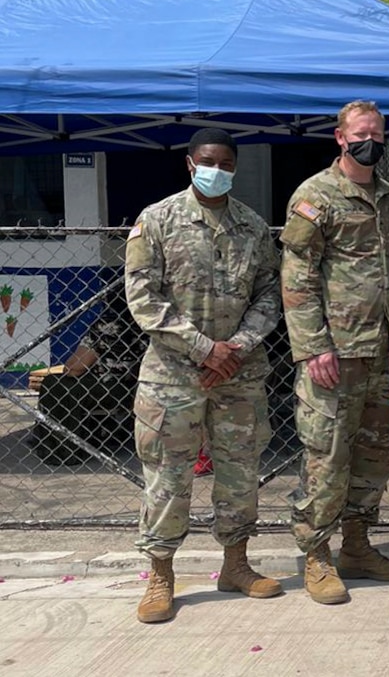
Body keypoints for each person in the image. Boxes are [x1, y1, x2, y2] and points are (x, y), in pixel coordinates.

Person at [124, 127, 282, 623]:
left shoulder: (253, 228)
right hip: (173, 376)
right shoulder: (157, 220)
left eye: (227, 163)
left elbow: (270, 295)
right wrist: (203, 349)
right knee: (168, 479)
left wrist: (235, 348)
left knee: (240, 474)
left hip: (238, 374)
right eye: (210, 161)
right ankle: (160, 575)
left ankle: (236, 564)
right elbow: (144, 299)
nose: (219, 170)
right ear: (191, 164)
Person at [281, 100, 389, 605]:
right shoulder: (316, 195)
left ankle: (357, 543)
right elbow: (297, 277)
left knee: (376, 454)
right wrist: (313, 346)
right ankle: (316, 553)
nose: (371, 142)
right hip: (334, 355)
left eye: (378, 134)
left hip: (384, 352)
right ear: (340, 137)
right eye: (362, 133)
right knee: (327, 456)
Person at [26, 289, 147, 466]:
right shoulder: (150, 322)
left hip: (111, 387)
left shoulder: (107, 326)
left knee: (54, 383)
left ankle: (60, 448)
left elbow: (75, 368)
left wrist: (70, 368)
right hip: (140, 385)